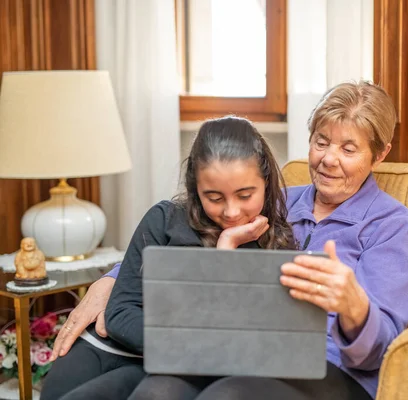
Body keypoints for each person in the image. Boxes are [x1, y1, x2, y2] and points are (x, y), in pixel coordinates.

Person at [49, 81, 408, 400]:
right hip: (246, 352)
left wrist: (355, 307)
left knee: (223, 395)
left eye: (349, 149)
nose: (329, 160)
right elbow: (185, 239)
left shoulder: (391, 225)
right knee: (156, 388)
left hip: (332, 368)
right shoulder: (272, 201)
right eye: (321, 142)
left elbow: (382, 347)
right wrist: (111, 280)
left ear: (380, 153)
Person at [41, 116, 297, 400]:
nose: (232, 212)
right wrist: (185, 342)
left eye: (245, 195)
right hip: (108, 345)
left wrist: (226, 250)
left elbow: (235, 334)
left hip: (165, 366)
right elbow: (120, 312)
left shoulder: (276, 245)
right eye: (214, 197)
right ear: (195, 187)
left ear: (266, 183)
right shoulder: (163, 219)